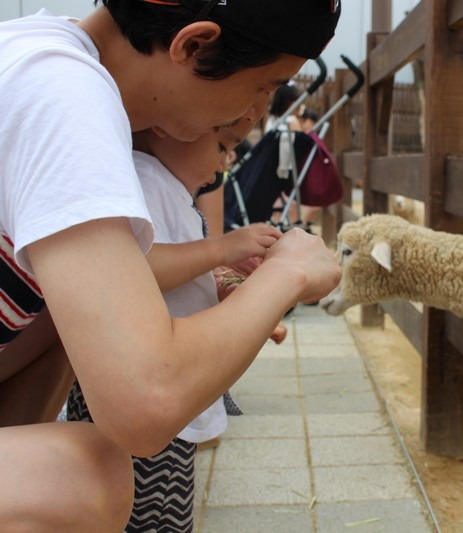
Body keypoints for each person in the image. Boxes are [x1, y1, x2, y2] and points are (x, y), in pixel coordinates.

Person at [0, 1, 341, 530]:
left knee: (78, 319)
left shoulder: (39, 57)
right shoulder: (62, 92)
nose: (254, 113)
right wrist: (286, 274)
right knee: (87, 477)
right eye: (264, 84)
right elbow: (145, 406)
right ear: (194, 44)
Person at [68, 121, 287, 532]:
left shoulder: (170, 189)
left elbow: (183, 278)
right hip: (141, 396)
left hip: (165, 400)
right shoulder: (145, 180)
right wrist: (222, 247)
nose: (226, 161)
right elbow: (134, 267)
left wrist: (238, 296)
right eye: (221, 145)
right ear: (171, 129)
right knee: (148, 516)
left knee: (166, 510)